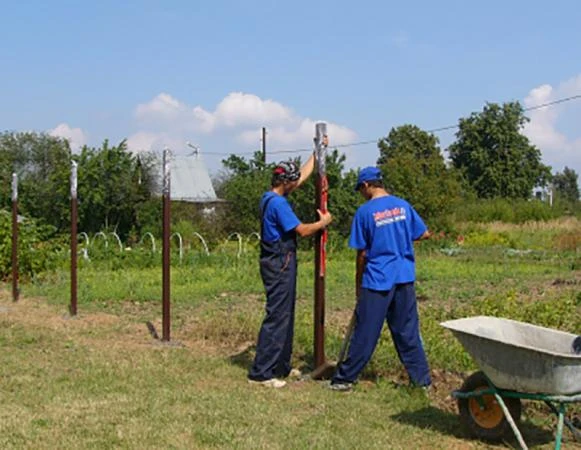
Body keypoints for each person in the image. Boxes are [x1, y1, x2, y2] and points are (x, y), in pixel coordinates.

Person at [330, 166, 431, 392]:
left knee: (366, 332)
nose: (360, 194)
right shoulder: (403, 206)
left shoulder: (365, 213)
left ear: (366, 185)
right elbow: (423, 233)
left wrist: (358, 286)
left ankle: (344, 379)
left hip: (377, 280)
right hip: (404, 277)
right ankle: (422, 381)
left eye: (360, 189)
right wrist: (400, 240)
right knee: (407, 332)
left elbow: (362, 254)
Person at [248, 154, 333, 388]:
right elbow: (303, 231)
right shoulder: (278, 204)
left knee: (285, 314)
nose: (296, 183)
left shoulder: (269, 197)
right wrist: (322, 223)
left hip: (276, 260)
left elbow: (301, 177)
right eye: (293, 181)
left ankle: (280, 367)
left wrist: (316, 154)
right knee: (278, 316)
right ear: (285, 182)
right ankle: (262, 373)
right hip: (280, 262)